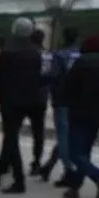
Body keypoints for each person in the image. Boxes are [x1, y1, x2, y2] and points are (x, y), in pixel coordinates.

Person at [0, 18, 44, 194]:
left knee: (11, 139)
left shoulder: (7, 53)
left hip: (11, 101)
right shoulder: (35, 53)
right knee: (11, 138)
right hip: (32, 99)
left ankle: (19, 180)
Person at [63, 35, 99, 198]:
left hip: (79, 110)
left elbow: (69, 85)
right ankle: (75, 187)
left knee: (74, 153)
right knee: (85, 149)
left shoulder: (82, 62)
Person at [39, 28, 81, 187]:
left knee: (63, 136)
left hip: (62, 99)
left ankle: (70, 169)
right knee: (67, 135)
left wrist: (37, 81)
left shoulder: (59, 55)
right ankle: (48, 166)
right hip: (78, 100)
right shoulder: (80, 55)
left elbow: (53, 75)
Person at [25, 31, 49, 176]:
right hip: (40, 98)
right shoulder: (46, 55)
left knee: (12, 130)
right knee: (38, 132)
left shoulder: (26, 54)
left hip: (24, 96)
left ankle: (7, 161)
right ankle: (36, 162)